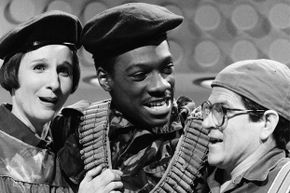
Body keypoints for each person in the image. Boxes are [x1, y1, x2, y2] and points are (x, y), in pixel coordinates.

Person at [53, 2, 209, 193]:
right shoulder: (74, 130)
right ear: (105, 79)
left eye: (167, 69)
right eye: (140, 75)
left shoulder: (205, 131)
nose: (161, 85)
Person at [0, 10, 123, 193]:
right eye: (39, 67)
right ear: (12, 73)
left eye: (64, 70)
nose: (54, 84)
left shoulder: (72, 144)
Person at [200, 59, 290, 192]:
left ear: (267, 123)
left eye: (223, 110)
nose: (206, 123)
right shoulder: (199, 178)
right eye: (209, 109)